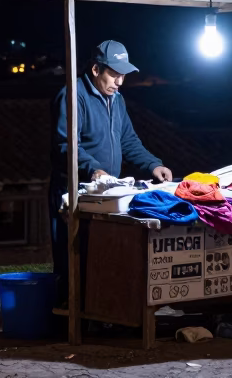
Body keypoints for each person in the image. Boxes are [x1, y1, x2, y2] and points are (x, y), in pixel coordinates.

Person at [49, 40, 173, 302]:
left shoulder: (117, 100)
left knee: (103, 258)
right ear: (96, 69)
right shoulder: (72, 96)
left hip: (106, 195)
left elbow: (128, 141)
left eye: (123, 76)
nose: (119, 82)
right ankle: (68, 322)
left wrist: (154, 165)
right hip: (74, 192)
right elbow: (65, 146)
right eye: (114, 75)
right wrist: (94, 170)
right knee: (72, 259)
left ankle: (101, 315)